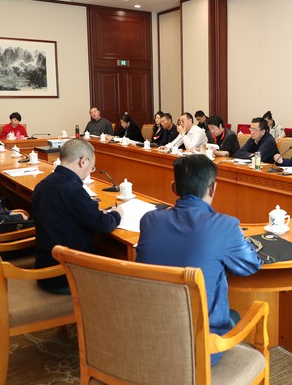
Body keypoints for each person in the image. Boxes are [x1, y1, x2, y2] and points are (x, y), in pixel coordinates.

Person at [136, 154, 262, 365]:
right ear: (212, 189)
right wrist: (239, 240)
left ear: (174, 188)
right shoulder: (225, 226)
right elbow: (251, 264)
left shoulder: (149, 220)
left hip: (150, 337)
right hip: (199, 350)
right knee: (234, 316)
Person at [32, 139, 123, 294]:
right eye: (92, 167)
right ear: (83, 161)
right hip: (67, 275)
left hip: (44, 267)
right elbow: (102, 225)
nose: (90, 171)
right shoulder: (72, 190)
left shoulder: (43, 185)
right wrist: (116, 214)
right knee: (122, 279)